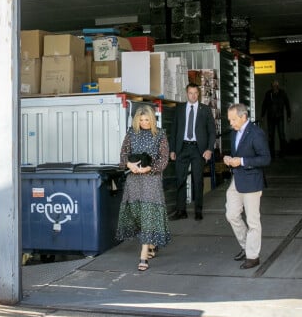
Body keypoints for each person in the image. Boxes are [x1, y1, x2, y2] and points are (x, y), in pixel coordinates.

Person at [116, 105, 171, 272]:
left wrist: (150, 168)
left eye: (147, 120)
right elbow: (124, 153)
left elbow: (164, 157)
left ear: (152, 120)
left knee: (148, 214)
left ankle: (143, 253)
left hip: (151, 179)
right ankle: (151, 242)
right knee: (138, 213)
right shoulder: (131, 133)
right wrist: (129, 164)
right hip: (134, 179)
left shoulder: (160, 134)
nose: (144, 123)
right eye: (141, 120)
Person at [223, 103, 271, 270]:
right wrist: (230, 159)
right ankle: (246, 246)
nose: (231, 124)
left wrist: (242, 161)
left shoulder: (256, 133)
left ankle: (253, 256)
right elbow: (238, 155)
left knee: (253, 221)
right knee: (231, 214)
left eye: (233, 120)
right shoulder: (234, 133)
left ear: (243, 117)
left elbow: (265, 158)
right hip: (237, 179)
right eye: (229, 120)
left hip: (251, 181)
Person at [168, 83, 216, 221]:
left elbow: (212, 131)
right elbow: (174, 130)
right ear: (186, 93)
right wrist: (172, 149)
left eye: (195, 93)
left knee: (198, 180)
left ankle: (198, 211)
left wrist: (209, 149)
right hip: (182, 148)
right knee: (180, 179)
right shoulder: (179, 109)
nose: (193, 95)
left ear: (198, 94)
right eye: (190, 93)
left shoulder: (205, 110)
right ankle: (181, 211)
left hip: (198, 149)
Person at [261, 80, 291, 158]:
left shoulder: (282, 93)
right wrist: (262, 115)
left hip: (279, 116)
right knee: (271, 136)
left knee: (281, 135)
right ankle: (272, 154)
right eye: (273, 86)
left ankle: (282, 153)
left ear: (278, 86)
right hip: (271, 117)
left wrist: (289, 115)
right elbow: (264, 104)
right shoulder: (269, 94)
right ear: (272, 86)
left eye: (276, 86)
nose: (275, 87)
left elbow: (287, 104)